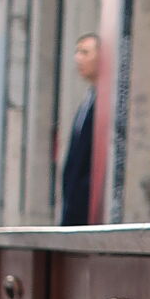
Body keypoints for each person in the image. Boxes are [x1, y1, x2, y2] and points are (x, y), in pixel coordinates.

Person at [59, 33, 99, 225]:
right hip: (75, 208)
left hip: (90, 211)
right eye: (77, 52)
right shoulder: (87, 101)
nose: (78, 58)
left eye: (85, 52)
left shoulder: (105, 101)